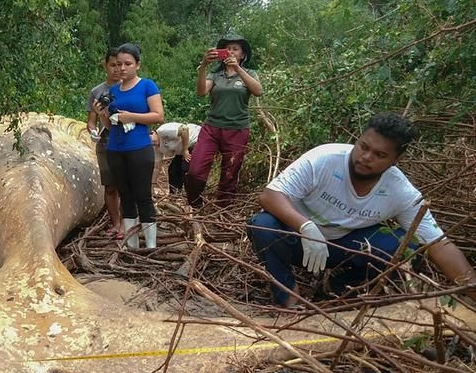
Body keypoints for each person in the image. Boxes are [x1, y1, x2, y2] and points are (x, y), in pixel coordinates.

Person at [246, 112, 476, 307]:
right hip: (298, 240)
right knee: (263, 225)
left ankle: (340, 291)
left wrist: (472, 290)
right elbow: (269, 196)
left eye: (380, 155)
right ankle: (287, 294)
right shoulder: (324, 159)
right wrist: (305, 226)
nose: (366, 157)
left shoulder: (399, 190)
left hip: (345, 246)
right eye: (363, 147)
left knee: (409, 248)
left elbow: (439, 244)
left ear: (395, 160)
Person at [94, 43, 164, 248]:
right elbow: (109, 125)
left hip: (139, 147)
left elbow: (158, 115)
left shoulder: (147, 86)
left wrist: (131, 116)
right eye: (118, 64)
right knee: (125, 196)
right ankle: (132, 244)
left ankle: (151, 245)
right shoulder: (114, 90)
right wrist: (102, 114)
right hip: (115, 148)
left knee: (143, 195)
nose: (122, 68)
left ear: (137, 65)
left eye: (127, 64)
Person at [187, 33, 263, 208]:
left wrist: (238, 69)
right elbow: (201, 92)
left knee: (230, 174)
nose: (230, 52)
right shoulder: (215, 74)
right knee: (195, 171)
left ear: (243, 55)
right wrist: (204, 65)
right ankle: (194, 206)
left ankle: (222, 213)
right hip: (212, 128)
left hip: (237, 130)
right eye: (227, 48)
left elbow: (258, 91)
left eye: (235, 49)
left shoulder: (249, 73)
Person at [86, 48, 123, 238]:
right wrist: (93, 132)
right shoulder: (97, 91)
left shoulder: (130, 87)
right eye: (113, 65)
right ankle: (116, 224)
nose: (117, 69)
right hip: (107, 140)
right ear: (105, 65)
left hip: (127, 140)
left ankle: (128, 223)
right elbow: (91, 121)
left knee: (128, 184)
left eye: (121, 65)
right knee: (110, 186)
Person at [155, 122, 201, 194]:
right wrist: (152, 185)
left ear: (153, 132)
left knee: (186, 168)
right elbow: (156, 167)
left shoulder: (162, 131)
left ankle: (191, 195)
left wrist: (185, 149)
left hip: (194, 139)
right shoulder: (156, 147)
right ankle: (175, 194)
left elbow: (184, 129)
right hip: (181, 149)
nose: (152, 143)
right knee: (173, 169)